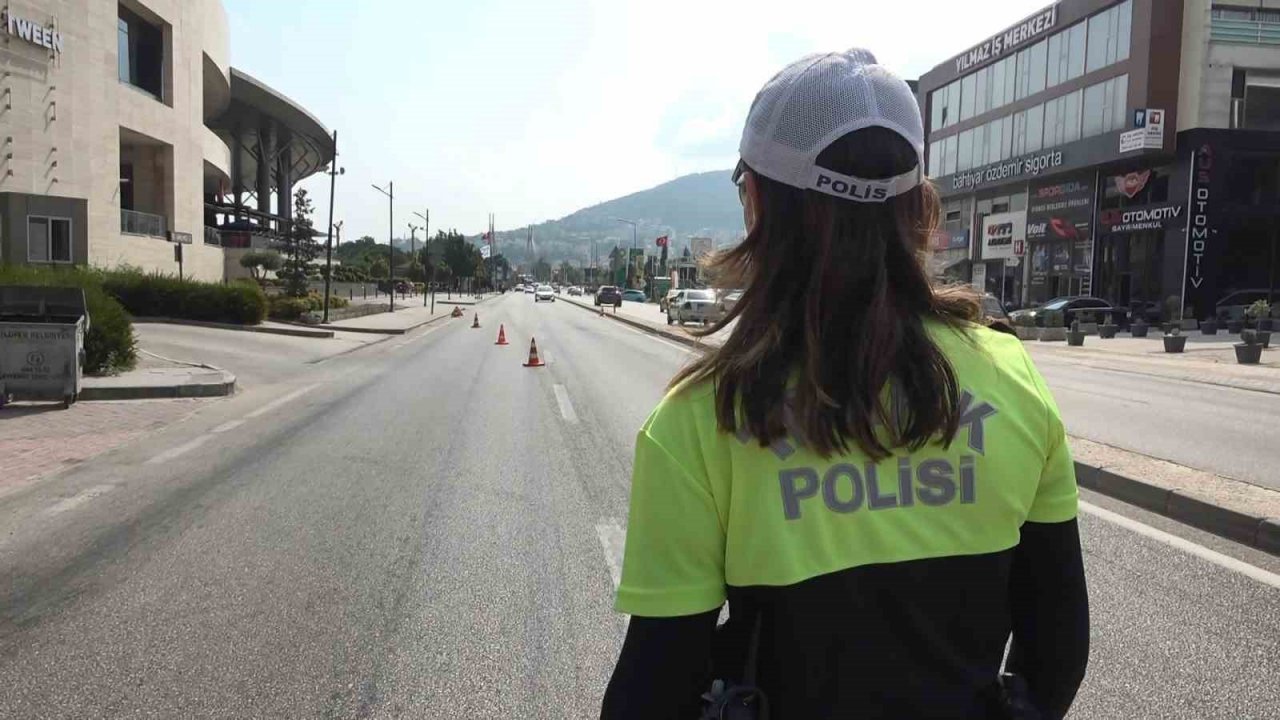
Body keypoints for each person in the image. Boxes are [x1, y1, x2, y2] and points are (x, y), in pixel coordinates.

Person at [600, 49, 1088, 720]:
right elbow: (1057, 643)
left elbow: (652, 689)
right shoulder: (1012, 376)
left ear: (760, 203)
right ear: (918, 206)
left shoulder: (701, 420)